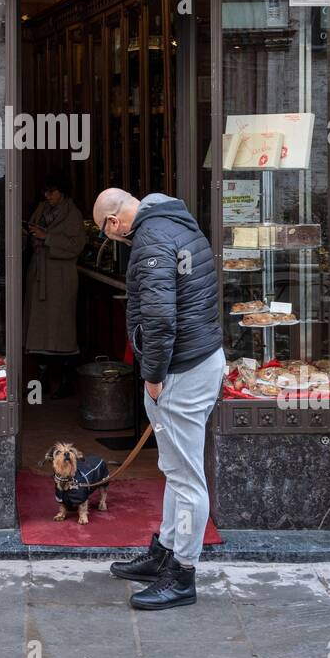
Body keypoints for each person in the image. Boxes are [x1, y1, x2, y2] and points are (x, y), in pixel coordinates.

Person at [92, 187, 225, 610]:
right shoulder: (177, 222)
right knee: (174, 467)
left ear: (113, 223)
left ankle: (182, 575)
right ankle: (164, 552)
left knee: (186, 478)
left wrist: (152, 376)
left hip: (181, 369)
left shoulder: (149, 239)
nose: (112, 239)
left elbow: (160, 316)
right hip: (200, 358)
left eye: (105, 233)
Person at [24, 176, 85, 398]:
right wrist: (31, 234)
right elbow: (33, 235)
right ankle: (41, 379)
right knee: (39, 330)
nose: (47, 197)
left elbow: (76, 245)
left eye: (52, 192)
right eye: (45, 192)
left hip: (60, 278)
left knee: (61, 329)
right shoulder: (41, 209)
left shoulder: (73, 214)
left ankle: (66, 380)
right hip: (40, 275)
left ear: (62, 192)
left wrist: (47, 237)